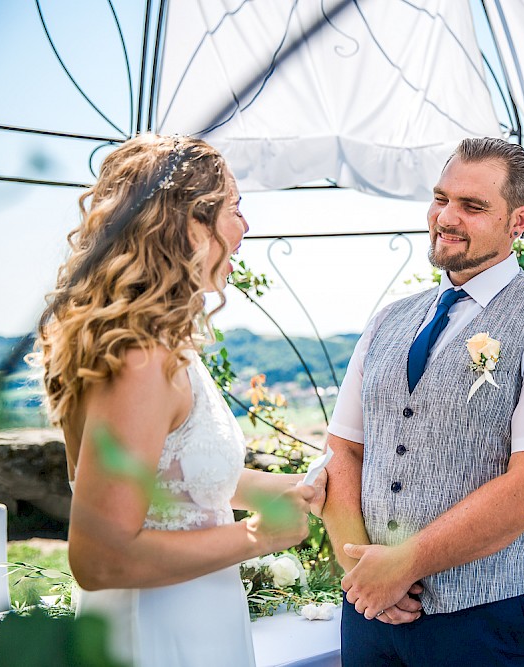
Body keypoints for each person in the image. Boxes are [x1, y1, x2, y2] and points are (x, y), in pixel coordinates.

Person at [34, 134, 323, 667]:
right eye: (235, 208)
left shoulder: (164, 347)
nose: (246, 226)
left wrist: (293, 490)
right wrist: (257, 537)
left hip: (198, 620)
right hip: (156, 635)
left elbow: (178, 480)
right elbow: (100, 560)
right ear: (191, 224)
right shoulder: (139, 361)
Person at [323, 137, 524, 665]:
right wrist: (361, 572)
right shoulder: (388, 320)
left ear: (518, 221)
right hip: (370, 618)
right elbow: (343, 451)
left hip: (488, 621)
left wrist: (404, 564)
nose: (445, 217)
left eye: (472, 206)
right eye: (440, 198)